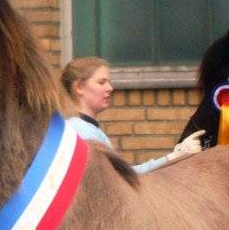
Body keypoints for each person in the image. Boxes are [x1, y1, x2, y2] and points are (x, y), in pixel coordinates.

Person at [61, 56, 204, 173]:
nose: (110, 88)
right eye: (101, 82)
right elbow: (121, 178)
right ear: (79, 87)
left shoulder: (84, 127)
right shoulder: (81, 131)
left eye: (109, 82)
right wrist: (175, 156)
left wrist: (174, 157)